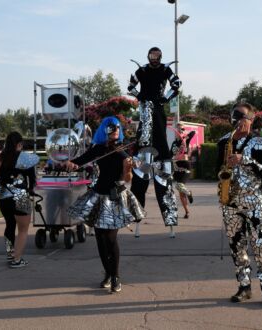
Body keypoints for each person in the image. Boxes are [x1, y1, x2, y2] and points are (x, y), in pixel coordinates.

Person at [66, 116, 145, 293]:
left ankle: (116, 276)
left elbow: (127, 179)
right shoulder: (99, 148)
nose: (115, 130)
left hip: (115, 196)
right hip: (99, 194)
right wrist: (71, 163)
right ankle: (108, 274)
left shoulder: (123, 151)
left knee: (110, 238)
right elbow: (82, 159)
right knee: (101, 238)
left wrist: (129, 169)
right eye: (111, 128)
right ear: (104, 130)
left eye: (117, 127)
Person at [217, 102, 262, 305]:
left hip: (254, 204)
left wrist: (246, 160)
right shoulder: (224, 141)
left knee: (260, 246)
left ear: (251, 120)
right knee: (237, 248)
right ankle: (244, 287)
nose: (236, 120)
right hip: (231, 204)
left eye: (241, 116)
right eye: (234, 116)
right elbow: (218, 170)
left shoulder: (261, 142)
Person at [127, 46, 181, 238]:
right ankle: (135, 217)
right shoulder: (141, 70)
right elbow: (130, 86)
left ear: (161, 57)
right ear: (148, 56)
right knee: (144, 133)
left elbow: (177, 84)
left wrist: (164, 98)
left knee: (158, 132)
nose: (155, 58)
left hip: (158, 110)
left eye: (157, 55)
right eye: (152, 55)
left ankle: (171, 220)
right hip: (145, 110)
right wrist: (139, 96)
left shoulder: (166, 69)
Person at [0, 131, 38, 268]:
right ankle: (17, 260)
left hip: (3, 195)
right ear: (19, 144)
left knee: (9, 224)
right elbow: (32, 181)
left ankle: (10, 253)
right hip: (20, 195)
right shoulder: (26, 159)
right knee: (23, 229)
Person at [170, 123, 195, 219]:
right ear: (175, 131)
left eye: (183, 129)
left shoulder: (186, 140)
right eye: (179, 129)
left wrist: (185, 137)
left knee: (179, 185)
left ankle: (189, 193)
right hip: (176, 166)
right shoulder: (174, 143)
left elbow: (193, 132)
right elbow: (169, 154)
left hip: (185, 166)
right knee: (181, 193)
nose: (181, 130)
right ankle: (187, 211)